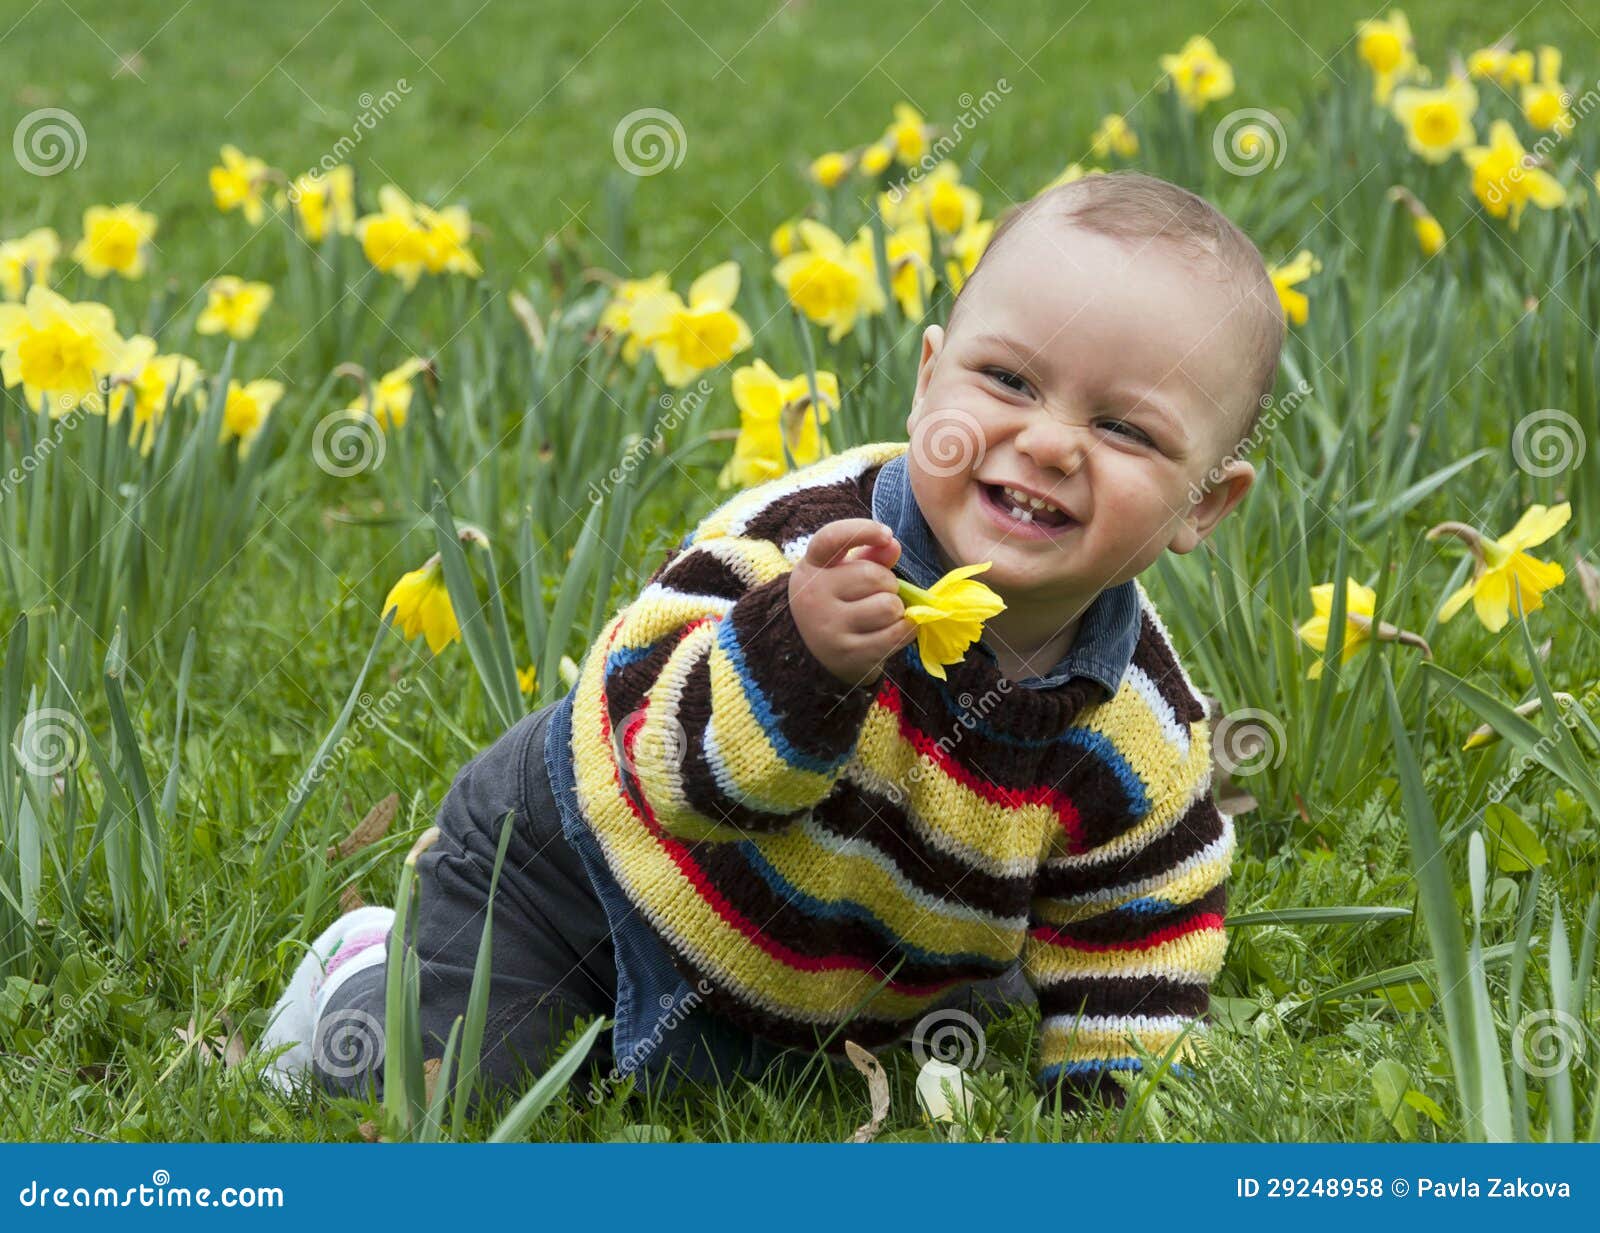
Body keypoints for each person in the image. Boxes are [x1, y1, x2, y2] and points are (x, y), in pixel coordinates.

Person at [258, 169, 1283, 1112]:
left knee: (796, 1066)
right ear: (929, 383)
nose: (1050, 442)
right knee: (457, 1091)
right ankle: (365, 966)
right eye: (1009, 382)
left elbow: (1136, 936)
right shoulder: (800, 549)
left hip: (809, 979)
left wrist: (1109, 1120)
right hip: (582, 889)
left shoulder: (1141, 727)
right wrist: (798, 661)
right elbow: (664, 766)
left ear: (1207, 503)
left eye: (1126, 430)